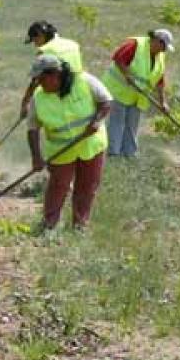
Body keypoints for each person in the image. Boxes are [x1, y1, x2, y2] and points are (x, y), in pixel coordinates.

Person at [26, 54, 111, 231]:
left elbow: (106, 102)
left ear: (55, 74)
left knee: (87, 186)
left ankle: (80, 225)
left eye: (41, 79)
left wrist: (96, 122)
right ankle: (49, 225)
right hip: (61, 150)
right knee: (58, 186)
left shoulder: (85, 81)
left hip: (91, 144)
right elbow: (32, 129)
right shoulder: (38, 97)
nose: (39, 83)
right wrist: (36, 157)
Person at [101, 29, 173, 157]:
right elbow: (118, 58)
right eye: (164, 47)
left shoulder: (160, 56)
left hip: (138, 96)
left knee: (132, 124)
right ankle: (114, 153)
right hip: (118, 90)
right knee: (118, 122)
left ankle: (129, 153)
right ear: (157, 41)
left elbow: (159, 80)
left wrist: (163, 102)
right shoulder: (136, 44)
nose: (164, 50)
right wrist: (127, 74)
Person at [20, 20, 84, 118]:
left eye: (35, 40)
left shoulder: (45, 50)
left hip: (57, 95)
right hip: (80, 93)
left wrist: (25, 102)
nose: (35, 45)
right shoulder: (73, 44)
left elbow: (37, 79)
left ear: (41, 36)